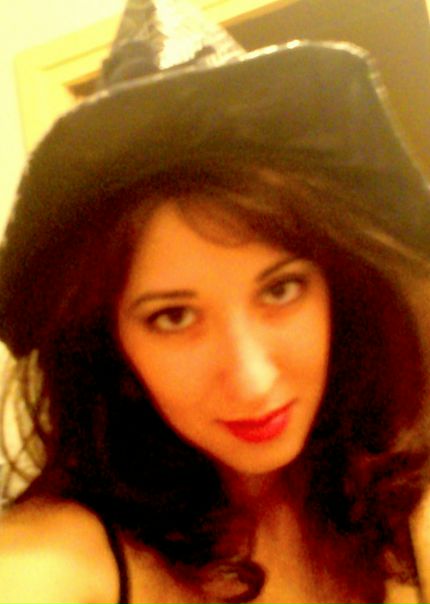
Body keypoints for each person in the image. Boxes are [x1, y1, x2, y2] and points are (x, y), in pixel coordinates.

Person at [0, 1, 430, 603]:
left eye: (280, 289)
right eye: (173, 317)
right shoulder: (56, 560)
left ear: (340, 291)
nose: (253, 382)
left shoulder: (403, 504)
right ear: (111, 343)